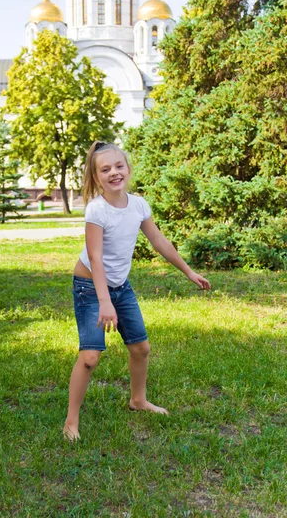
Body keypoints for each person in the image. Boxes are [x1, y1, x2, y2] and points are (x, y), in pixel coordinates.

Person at [63, 141, 211, 441]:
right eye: (105, 170)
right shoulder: (97, 210)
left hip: (120, 287)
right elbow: (95, 257)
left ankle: (138, 400)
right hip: (90, 289)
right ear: (96, 177)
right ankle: (70, 421)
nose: (114, 173)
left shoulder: (139, 205)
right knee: (90, 357)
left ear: (128, 169)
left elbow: (159, 241)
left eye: (119, 166)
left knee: (141, 348)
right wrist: (105, 302)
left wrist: (188, 271)